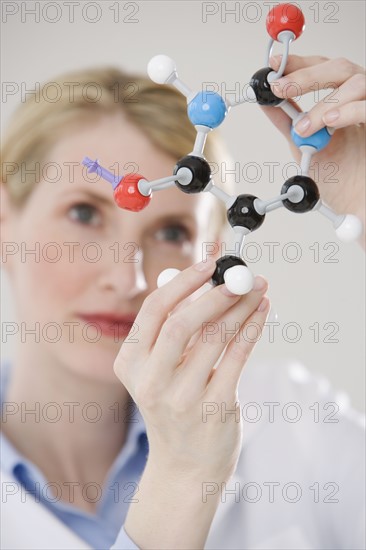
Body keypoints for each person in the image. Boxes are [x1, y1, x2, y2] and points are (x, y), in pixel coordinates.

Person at [0, 54, 365, 550]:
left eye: (172, 231)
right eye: (84, 213)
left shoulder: (293, 420)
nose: (126, 277)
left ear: (213, 253)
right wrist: (184, 478)